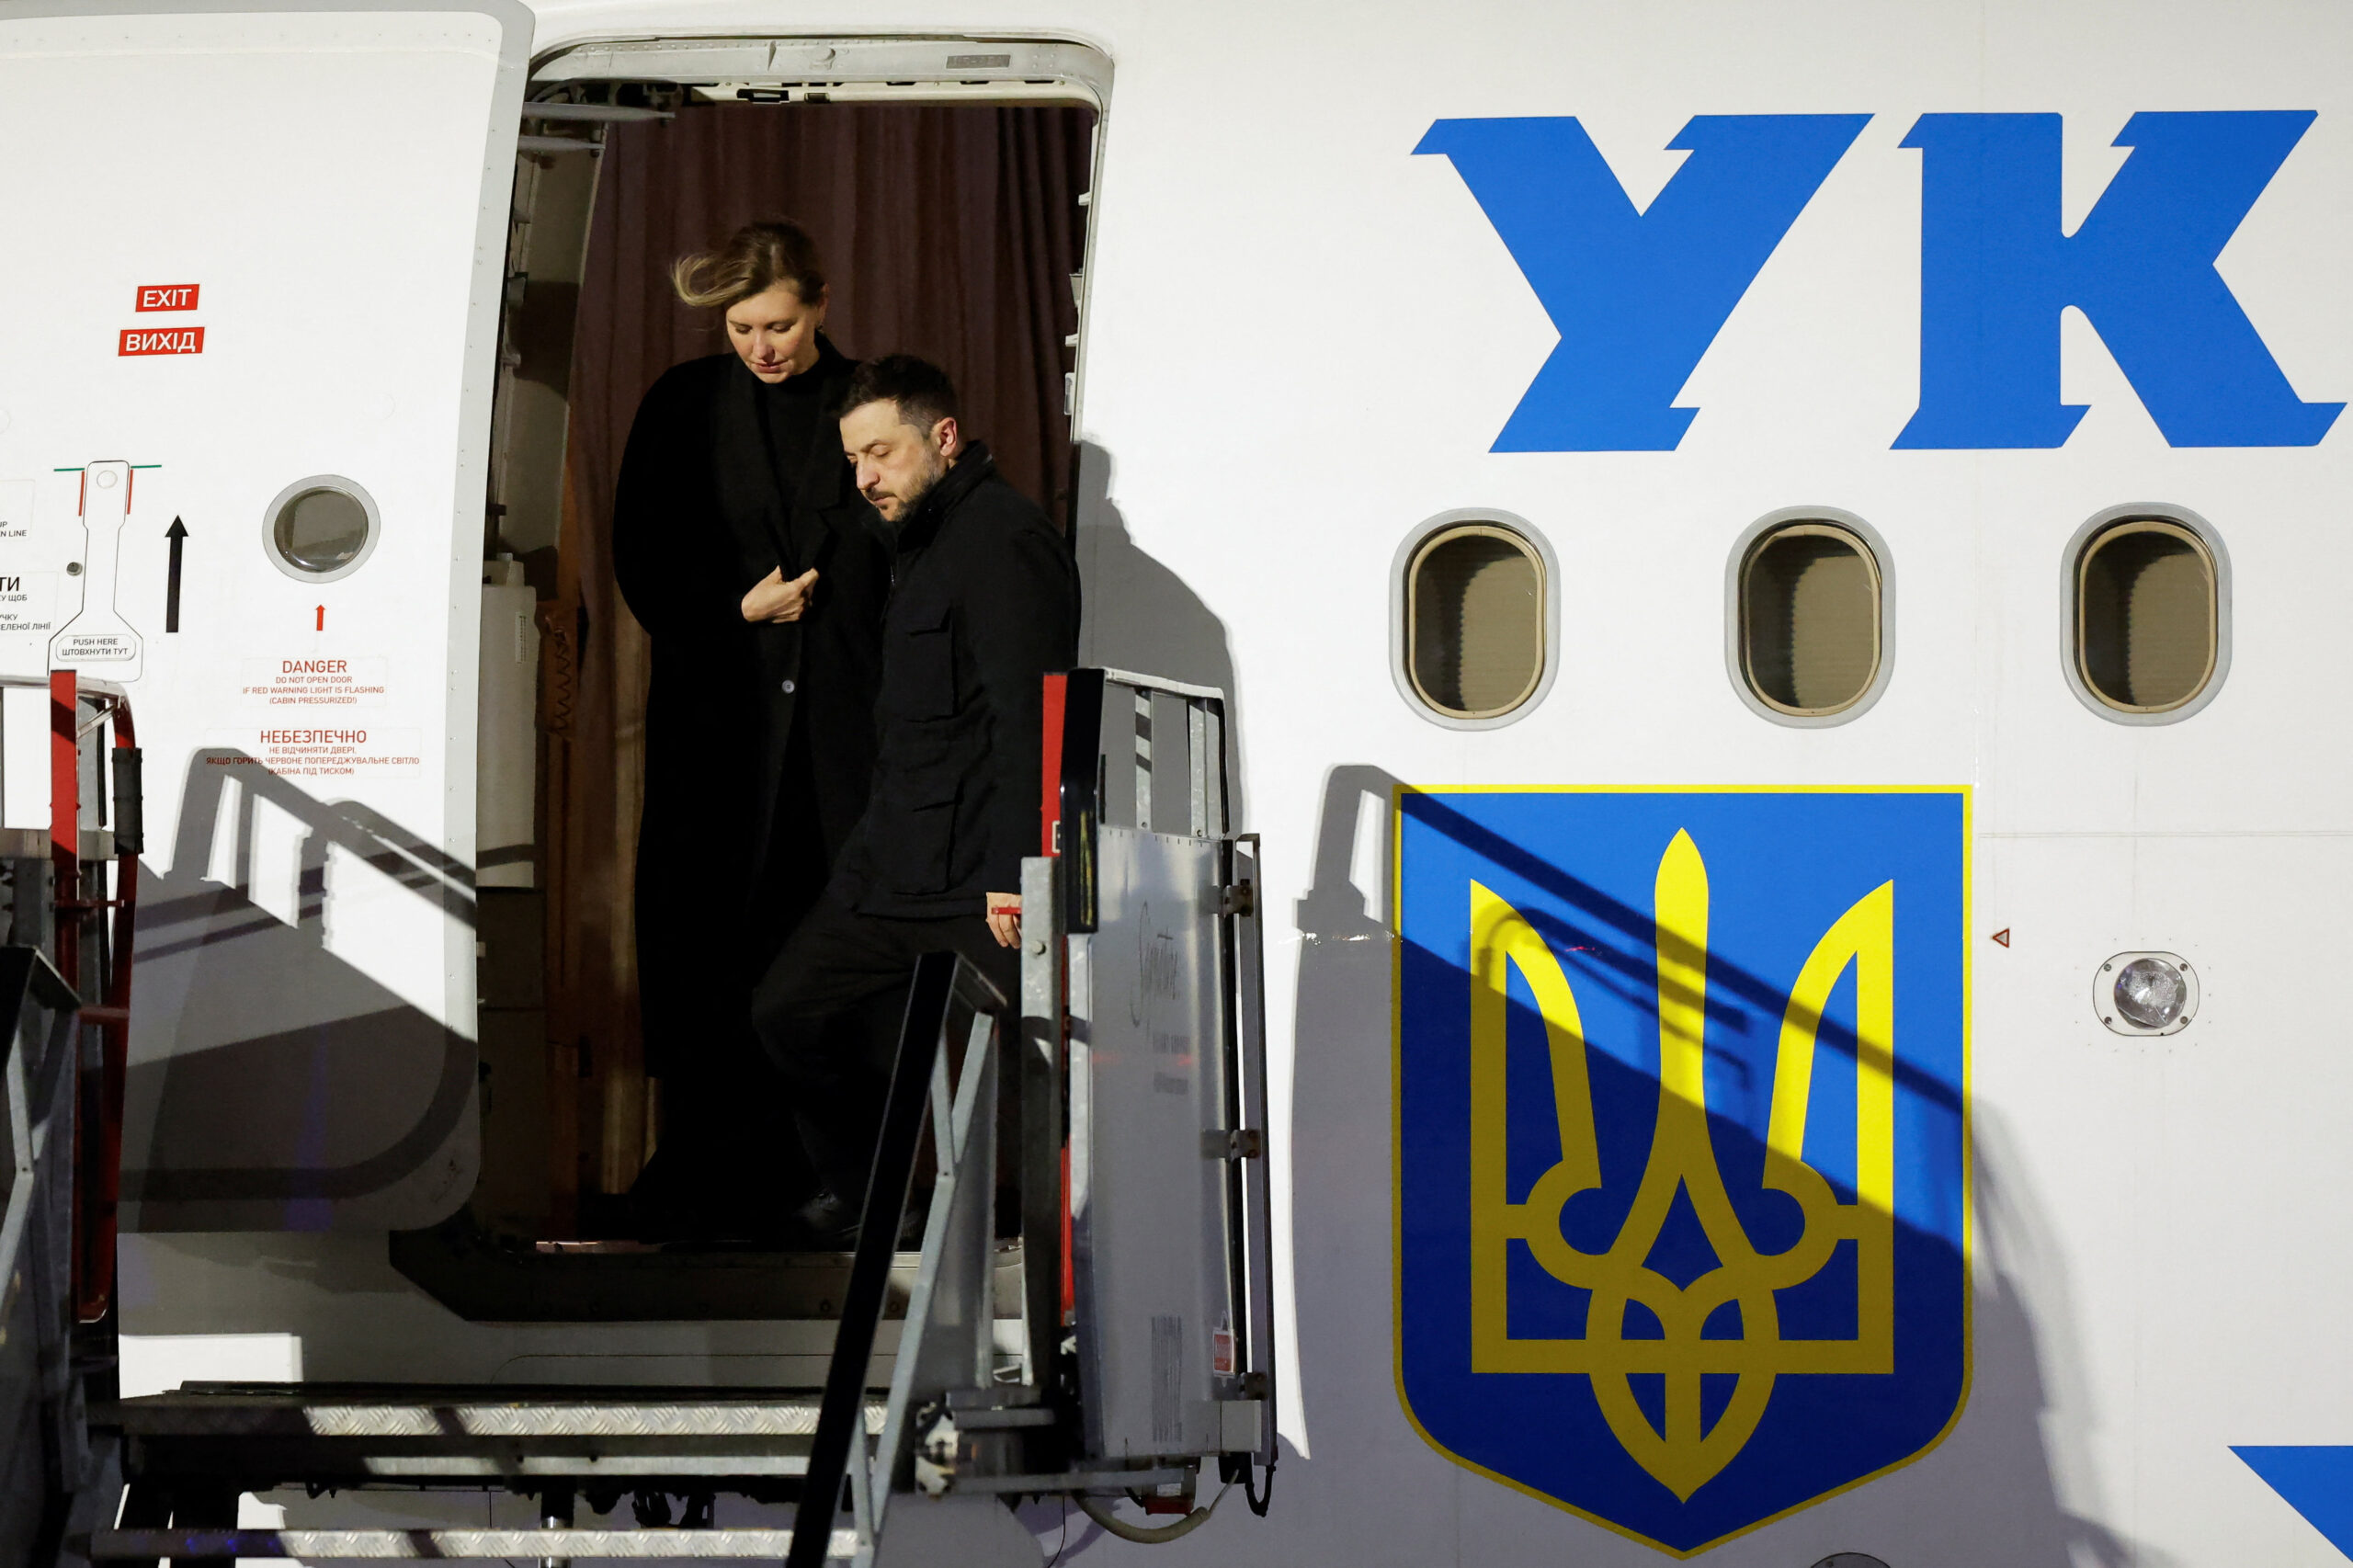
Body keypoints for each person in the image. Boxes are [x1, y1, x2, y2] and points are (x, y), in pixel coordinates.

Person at [751, 354, 1079, 1245]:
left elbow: (1029, 718)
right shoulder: (918, 537)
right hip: (895, 862)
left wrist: (1017, 871)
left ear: (943, 437)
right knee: (790, 1009)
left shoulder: (1001, 538)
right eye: (853, 458)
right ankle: (876, 1197)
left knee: (1041, 1061)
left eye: (881, 453)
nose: (864, 477)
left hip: (976, 873)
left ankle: (1062, 1247)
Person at [610, 221, 892, 1238]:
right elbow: (641, 553)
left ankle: (833, 1175)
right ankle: (706, 1169)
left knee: (823, 949)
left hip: (837, 731)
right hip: (718, 729)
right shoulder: (684, 403)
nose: (761, 347)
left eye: (778, 325)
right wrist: (735, 610)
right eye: (741, 328)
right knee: (705, 940)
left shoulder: (871, 401)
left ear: (819, 306)